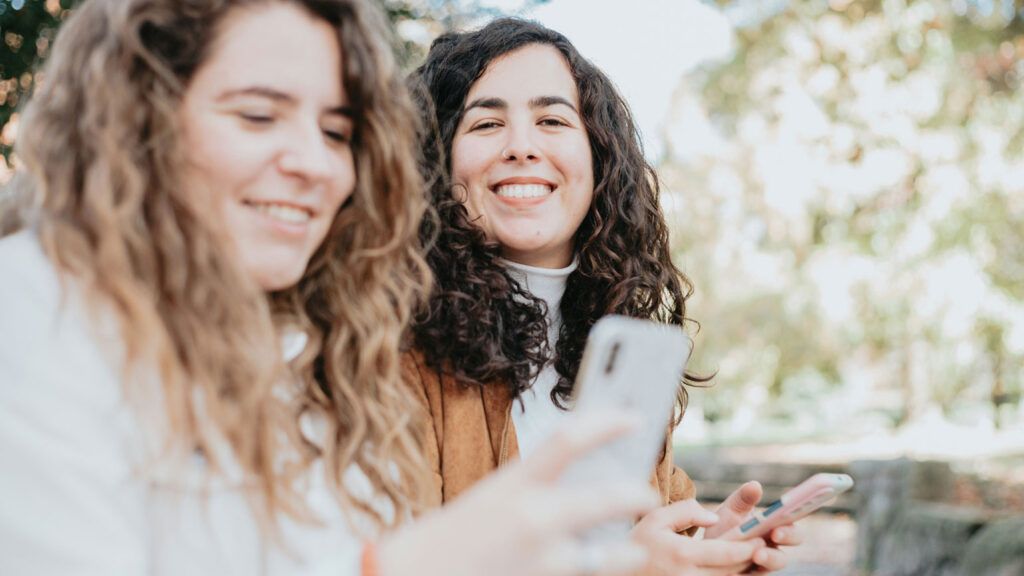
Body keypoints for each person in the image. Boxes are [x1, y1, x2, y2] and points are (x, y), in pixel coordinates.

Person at [0, 2, 663, 575]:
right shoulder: (33, 308)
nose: (315, 164)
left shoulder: (321, 346)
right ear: (136, 118)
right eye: (259, 116)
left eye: (336, 133)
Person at [406, 17, 800, 575]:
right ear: (437, 162)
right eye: (487, 123)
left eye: (551, 120)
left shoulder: (622, 360)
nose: (521, 146)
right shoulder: (388, 348)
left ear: (599, 160)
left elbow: (651, 541)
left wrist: (709, 553)